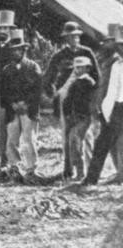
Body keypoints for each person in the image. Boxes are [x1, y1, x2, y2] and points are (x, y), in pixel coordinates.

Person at [44, 21, 97, 180]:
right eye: (70, 36)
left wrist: (91, 95)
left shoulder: (87, 53)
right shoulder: (59, 56)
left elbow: (97, 76)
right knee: (68, 136)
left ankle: (89, 173)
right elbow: (48, 79)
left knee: (86, 136)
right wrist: (54, 95)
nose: (74, 39)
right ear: (65, 38)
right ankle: (69, 171)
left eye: (76, 36)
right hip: (65, 99)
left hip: (84, 100)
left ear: (79, 36)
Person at [0, 29, 43, 183]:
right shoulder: (6, 70)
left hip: (29, 110)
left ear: (24, 49)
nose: (16, 52)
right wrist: (12, 103)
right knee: (12, 139)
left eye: (19, 49)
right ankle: (14, 168)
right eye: (13, 50)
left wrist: (26, 103)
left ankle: (31, 170)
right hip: (13, 110)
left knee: (29, 139)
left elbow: (37, 90)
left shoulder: (33, 67)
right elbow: (3, 91)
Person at [82, 33, 123, 186]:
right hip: (117, 108)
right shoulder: (117, 65)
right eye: (119, 45)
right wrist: (106, 112)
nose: (120, 48)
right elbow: (112, 90)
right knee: (102, 144)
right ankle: (91, 179)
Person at [56, 56, 97, 181]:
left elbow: (90, 102)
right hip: (74, 116)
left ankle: (83, 173)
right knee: (73, 143)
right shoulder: (75, 82)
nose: (78, 70)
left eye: (81, 67)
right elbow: (68, 100)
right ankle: (79, 171)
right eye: (77, 68)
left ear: (87, 68)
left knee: (79, 141)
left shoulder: (89, 83)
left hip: (84, 117)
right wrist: (67, 113)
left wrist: (85, 114)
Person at [0, 10, 17, 169]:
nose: (3, 31)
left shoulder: (13, 48)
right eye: (1, 28)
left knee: (9, 126)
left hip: (9, 93)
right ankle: (3, 159)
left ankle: (11, 160)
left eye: (6, 28)